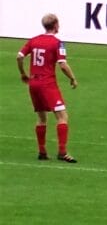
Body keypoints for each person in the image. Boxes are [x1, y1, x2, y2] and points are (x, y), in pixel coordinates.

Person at [17, 13, 78, 163]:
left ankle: (42, 151)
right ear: (56, 24)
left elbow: (19, 56)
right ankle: (62, 152)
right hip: (47, 84)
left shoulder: (34, 40)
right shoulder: (58, 43)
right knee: (62, 117)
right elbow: (62, 65)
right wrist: (72, 78)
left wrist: (23, 74)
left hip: (34, 84)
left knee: (41, 118)